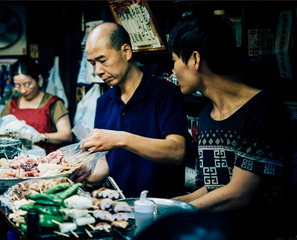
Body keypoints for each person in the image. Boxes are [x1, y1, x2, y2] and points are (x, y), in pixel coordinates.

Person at [168, 13, 295, 238]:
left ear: (195, 60)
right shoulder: (207, 116)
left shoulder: (263, 109)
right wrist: (173, 203)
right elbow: (216, 187)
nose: (173, 72)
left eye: (175, 60)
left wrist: (178, 213)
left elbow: (238, 192)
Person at [71, 22, 190, 198]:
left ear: (126, 51)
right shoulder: (104, 102)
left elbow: (177, 152)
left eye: (103, 60)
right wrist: (83, 175)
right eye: (92, 63)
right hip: (119, 208)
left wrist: (120, 138)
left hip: (161, 208)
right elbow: (106, 163)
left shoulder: (165, 93)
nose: (98, 70)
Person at [0, 57, 73, 154]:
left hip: (47, 160)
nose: (23, 90)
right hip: (17, 158)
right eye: (18, 85)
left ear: (38, 79)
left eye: (27, 84)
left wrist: (39, 137)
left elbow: (67, 136)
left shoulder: (53, 103)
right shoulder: (12, 104)